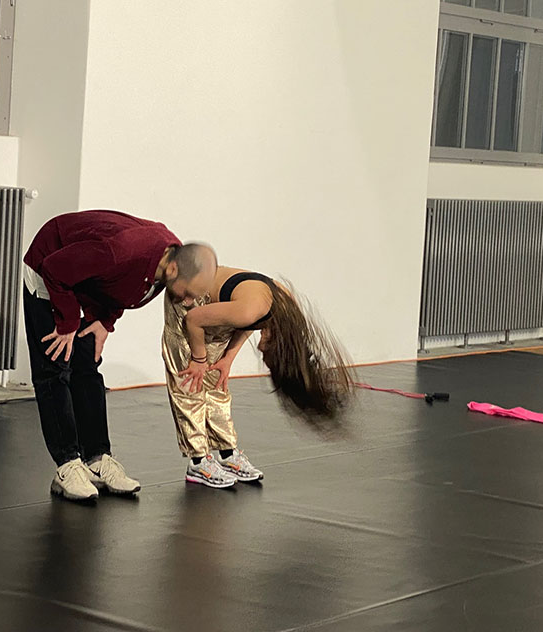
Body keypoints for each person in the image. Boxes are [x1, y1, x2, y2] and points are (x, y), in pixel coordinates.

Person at [23, 210, 216, 502]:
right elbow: (55, 268)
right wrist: (67, 323)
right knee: (54, 368)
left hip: (81, 282)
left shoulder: (167, 262)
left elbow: (123, 286)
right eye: (188, 293)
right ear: (174, 269)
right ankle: (67, 465)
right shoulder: (121, 252)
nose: (188, 301)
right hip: (50, 265)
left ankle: (97, 459)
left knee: (87, 368)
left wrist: (105, 321)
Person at [162, 265, 353, 488]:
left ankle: (227, 453)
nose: (262, 355)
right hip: (189, 293)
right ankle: (198, 462)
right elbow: (194, 319)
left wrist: (228, 358)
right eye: (268, 359)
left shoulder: (281, 315)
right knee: (190, 382)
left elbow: (249, 323)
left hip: (213, 305)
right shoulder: (250, 310)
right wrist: (198, 359)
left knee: (216, 381)